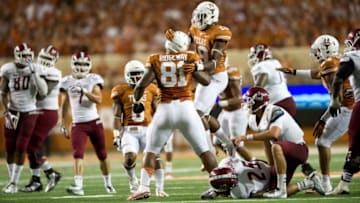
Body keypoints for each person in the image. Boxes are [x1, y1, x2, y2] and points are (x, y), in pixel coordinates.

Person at [127, 30, 220, 200]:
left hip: (165, 109)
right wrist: (196, 68)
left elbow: (140, 86)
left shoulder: (155, 59)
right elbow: (206, 81)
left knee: (151, 151)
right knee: (204, 151)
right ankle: (219, 185)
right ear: (183, 45)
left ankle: (143, 187)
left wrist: (136, 103)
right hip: (186, 108)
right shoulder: (190, 57)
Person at [277, 34, 354, 193]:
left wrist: (323, 119)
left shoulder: (329, 64)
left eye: (317, 50)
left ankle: (325, 184)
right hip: (352, 107)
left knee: (322, 142)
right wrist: (294, 71)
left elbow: (336, 100)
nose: (315, 53)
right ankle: (335, 183)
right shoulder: (335, 61)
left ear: (324, 49)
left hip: (347, 109)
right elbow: (317, 73)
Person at [166, 1, 232, 156]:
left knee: (198, 113)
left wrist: (197, 67)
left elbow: (214, 62)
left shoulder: (220, 33)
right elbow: (185, 43)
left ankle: (210, 150)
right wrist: (174, 37)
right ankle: (227, 143)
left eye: (200, 16)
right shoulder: (194, 28)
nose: (197, 19)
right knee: (203, 115)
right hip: (204, 75)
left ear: (211, 17)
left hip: (217, 76)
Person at [232, 87, 325, 198]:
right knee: (268, 191)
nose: (247, 104)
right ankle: (309, 183)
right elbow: (266, 142)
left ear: (259, 102)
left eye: (250, 101)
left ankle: (280, 189)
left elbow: (274, 134)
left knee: (276, 146)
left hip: (298, 149)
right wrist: (272, 167)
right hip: (282, 154)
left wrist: (246, 137)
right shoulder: (253, 118)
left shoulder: (274, 110)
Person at [248, 43, 318, 180]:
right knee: (284, 137)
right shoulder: (275, 62)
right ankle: (304, 164)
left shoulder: (260, 67)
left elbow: (262, 78)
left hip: (277, 103)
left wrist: (254, 92)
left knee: (269, 137)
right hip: (288, 100)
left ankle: (274, 167)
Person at [59, 51, 115, 195]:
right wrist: (62, 123)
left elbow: (98, 99)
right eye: (79, 64)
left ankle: (108, 184)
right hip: (78, 124)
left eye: (84, 64)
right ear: (73, 64)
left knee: (102, 155)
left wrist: (84, 91)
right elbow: (65, 104)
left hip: (94, 123)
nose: (82, 67)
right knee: (77, 154)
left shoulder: (93, 79)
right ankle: (78, 186)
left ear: (89, 65)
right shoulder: (67, 81)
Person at [111, 60, 167, 196]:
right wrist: (116, 135)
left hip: (148, 129)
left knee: (156, 159)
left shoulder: (151, 89)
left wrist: (162, 129)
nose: (137, 77)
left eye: (139, 74)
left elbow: (157, 111)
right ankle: (133, 179)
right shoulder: (120, 91)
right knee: (129, 158)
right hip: (129, 131)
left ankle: (160, 189)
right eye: (134, 74)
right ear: (127, 75)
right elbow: (117, 116)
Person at [1, 43, 48, 193]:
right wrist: (6, 111)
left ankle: (14, 183)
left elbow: (43, 92)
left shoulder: (36, 68)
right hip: (12, 111)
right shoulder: (8, 69)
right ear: (17, 56)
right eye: (24, 56)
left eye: (29, 56)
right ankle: (11, 180)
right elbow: (2, 92)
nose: (27, 59)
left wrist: (34, 73)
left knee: (22, 147)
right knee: (9, 148)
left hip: (30, 112)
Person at [20, 45, 63, 193]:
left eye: (48, 59)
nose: (44, 61)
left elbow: (42, 94)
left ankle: (49, 173)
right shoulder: (34, 68)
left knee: (30, 146)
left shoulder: (54, 72)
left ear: (54, 60)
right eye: (43, 57)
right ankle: (37, 180)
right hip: (35, 111)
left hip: (47, 112)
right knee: (30, 147)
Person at [328, 28, 360, 195]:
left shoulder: (352, 56)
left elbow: (339, 78)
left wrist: (334, 100)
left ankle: (344, 184)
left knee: (355, 146)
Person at [202, 156, 325, 199]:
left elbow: (258, 193)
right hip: (264, 164)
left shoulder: (240, 192)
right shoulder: (225, 162)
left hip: (272, 177)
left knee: (276, 193)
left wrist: (216, 192)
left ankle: (308, 183)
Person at [215, 65, 254, 161]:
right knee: (218, 141)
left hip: (237, 112)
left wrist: (222, 103)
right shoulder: (213, 74)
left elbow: (239, 98)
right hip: (225, 112)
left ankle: (255, 164)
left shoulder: (230, 75)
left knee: (237, 144)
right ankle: (236, 161)